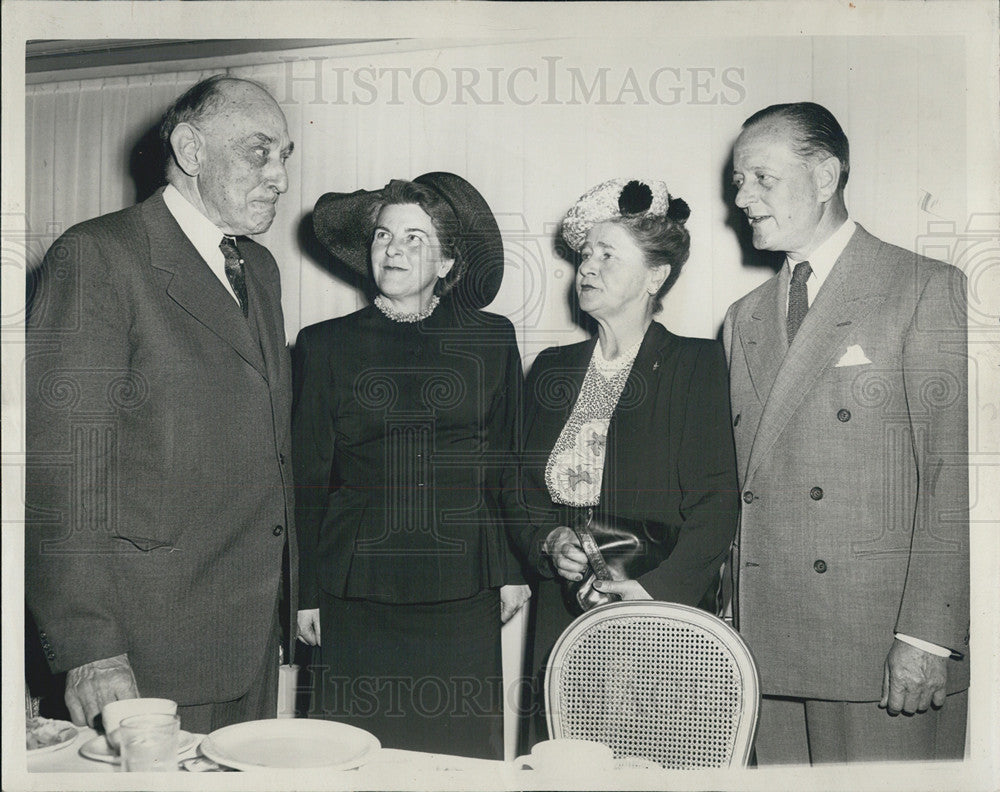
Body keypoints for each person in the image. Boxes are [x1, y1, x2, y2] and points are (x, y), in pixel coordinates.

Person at [25, 75, 296, 734]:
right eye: (259, 152)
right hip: (145, 654)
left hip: (250, 639)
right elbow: (60, 471)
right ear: (191, 150)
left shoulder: (258, 269)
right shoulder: (98, 258)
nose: (280, 177)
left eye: (286, 154)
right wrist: (89, 649)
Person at [723, 102, 969, 763]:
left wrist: (925, 637)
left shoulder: (922, 289)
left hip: (877, 651)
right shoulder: (741, 318)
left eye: (761, 179)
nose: (742, 198)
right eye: (738, 182)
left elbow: (955, 478)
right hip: (764, 647)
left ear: (826, 175)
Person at [294, 173, 530, 759]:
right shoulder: (324, 344)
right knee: (348, 755)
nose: (393, 249)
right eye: (382, 236)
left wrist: (513, 568)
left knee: (455, 755)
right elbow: (307, 478)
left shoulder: (491, 339)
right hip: (355, 591)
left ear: (448, 260)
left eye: (415, 238)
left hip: (462, 586)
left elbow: (509, 464)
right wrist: (304, 594)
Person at [512, 178, 740, 747]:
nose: (587, 267)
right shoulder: (552, 369)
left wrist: (658, 592)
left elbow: (717, 500)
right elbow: (516, 485)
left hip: (656, 612)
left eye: (608, 255)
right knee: (565, 762)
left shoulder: (696, 363)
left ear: (656, 276)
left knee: (653, 759)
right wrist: (548, 539)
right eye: (585, 255)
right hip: (562, 613)